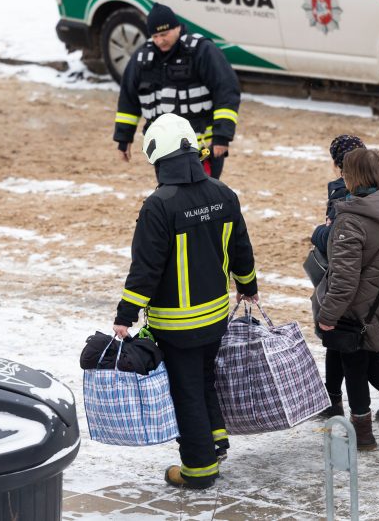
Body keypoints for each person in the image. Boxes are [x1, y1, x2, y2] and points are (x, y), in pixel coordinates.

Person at [111, 113, 259, 489]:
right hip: (215, 318)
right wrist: (248, 285)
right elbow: (241, 250)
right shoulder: (224, 195)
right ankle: (215, 440)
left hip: (176, 324)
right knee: (205, 378)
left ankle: (199, 468)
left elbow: (146, 269)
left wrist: (125, 315)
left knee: (186, 389)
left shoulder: (159, 205)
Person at [314, 148, 379, 450]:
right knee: (366, 359)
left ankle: (365, 434)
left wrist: (328, 315)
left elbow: (344, 279)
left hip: (357, 306)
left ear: (353, 176)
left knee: (354, 362)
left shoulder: (351, 220)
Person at [113, 3, 242, 180]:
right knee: (172, 199)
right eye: (155, 36)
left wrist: (221, 137)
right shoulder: (142, 58)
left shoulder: (202, 51)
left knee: (202, 198)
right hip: (164, 149)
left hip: (203, 147)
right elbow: (128, 100)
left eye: (164, 34)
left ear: (178, 28)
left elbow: (226, 91)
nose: (160, 41)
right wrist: (123, 138)